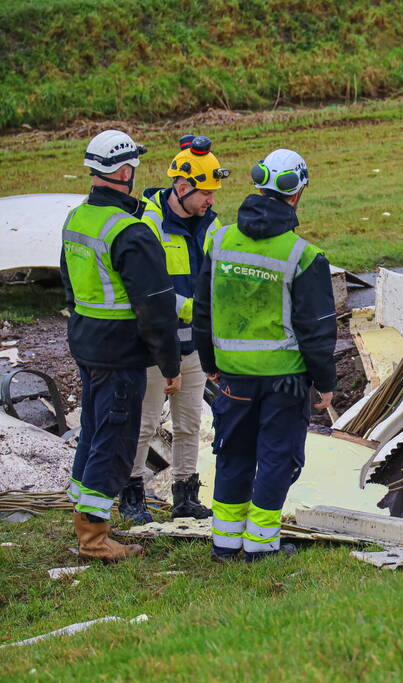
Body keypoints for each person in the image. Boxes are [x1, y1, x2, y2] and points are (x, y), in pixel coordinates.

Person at [193, 149, 336, 562]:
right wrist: (325, 383)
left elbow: (204, 312)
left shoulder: (219, 241)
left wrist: (210, 364)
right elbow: (317, 331)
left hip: (233, 377)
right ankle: (260, 546)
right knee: (277, 458)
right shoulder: (303, 255)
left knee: (233, 453)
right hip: (286, 381)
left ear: (257, 186)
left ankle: (225, 542)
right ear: (296, 194)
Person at [61, 129, 181, 563]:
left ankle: (81, 517)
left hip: (87, 347)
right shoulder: (130, 232)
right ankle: (93, 538)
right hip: (120, 354)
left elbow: (70, 288)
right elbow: (156, 309)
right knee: (113, 442)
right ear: (126, 171)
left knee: (93, 432)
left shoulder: (77, 219)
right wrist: (170, 364)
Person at [119, 135, 228, 523]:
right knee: (145, 423)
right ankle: (132, 495)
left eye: (214, 193)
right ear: (182, 188)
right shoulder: (147, 224)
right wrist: (198, 310)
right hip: (154, 345)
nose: (211, 200)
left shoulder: (211, 226)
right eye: (205, 193)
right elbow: (151, 293)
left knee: (189, 423)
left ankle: (186, 495)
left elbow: (219, 280)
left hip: (194, 344)